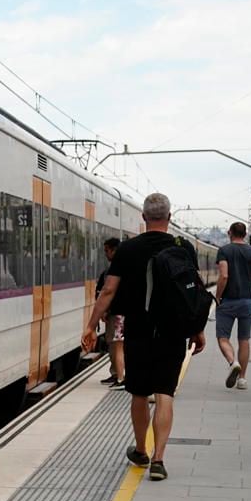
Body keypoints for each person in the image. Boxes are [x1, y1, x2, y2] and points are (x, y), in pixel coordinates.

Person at [81, 193, 208, 481]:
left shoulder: (128, 249)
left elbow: (109, 291)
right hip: (173, 331)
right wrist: (197, 329)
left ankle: (141, 450)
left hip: (138, 330)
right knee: (165, 393)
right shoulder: (183, 246)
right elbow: (192, 291)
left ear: (143, 217)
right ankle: (159, 460)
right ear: (170, 217)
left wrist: (90, 325)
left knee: (140, 393)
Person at [214, 222, 251, 389]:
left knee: (223, 337)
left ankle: (232, 361)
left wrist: (218, 297)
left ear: (230, 233)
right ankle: (242, 379)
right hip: (247, 300)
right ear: (245, 234)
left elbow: (224, 276)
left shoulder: (224, 251)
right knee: (244, 340)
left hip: (227, 300)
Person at [96, 236, 126, 387]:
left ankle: (120, 377)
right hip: (116, 313)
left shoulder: (114, 270)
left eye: (107, 251)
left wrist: (102, 311)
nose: (106, 254)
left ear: (114, 250)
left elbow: (107, 292)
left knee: (117, 345)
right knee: (113, 344)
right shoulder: (122, 267)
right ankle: (116, 374)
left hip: (117, 314)